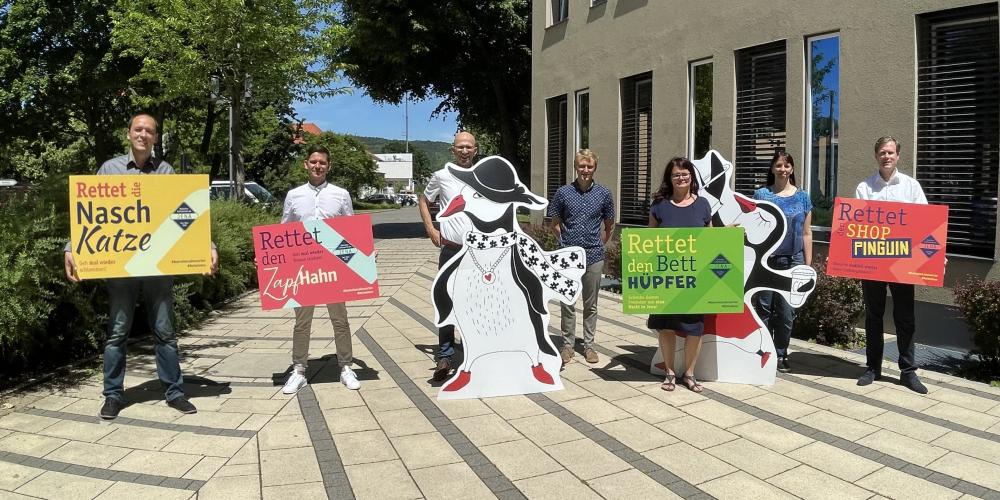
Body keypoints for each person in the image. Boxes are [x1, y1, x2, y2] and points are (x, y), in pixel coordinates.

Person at [63, 112, 219, 420]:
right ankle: (112, 395)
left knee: (165, 331)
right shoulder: (109, 169)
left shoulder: (166, 171)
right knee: (117, 332)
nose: (143, 134)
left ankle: (174, 393)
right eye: (138, 129)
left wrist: (207, 247)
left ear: (156, 138)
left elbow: (185, 216)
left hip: (158, 266)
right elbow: (90, 213)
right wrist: (71, 247)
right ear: (129, 133)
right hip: (122, 267)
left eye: (149, 130)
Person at [280, 144, 361, 394]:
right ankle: (299, 370)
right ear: (306, 164)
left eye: (322, 163)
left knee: (340, 320)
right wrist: (270, 259)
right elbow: (284, 231)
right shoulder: (294, 195)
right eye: (313, 162)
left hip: (334, 267)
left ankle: (346, 367)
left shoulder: (341, 194)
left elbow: (352, 228)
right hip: (303, 269)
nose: (318, 166)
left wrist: (365, 252)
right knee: (302, 323)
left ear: (328, 166)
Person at [855, 136, 929, 394]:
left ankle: (908, 372)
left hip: (903, 262)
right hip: (873, 261)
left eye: (891, 152)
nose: (886, 156)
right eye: (882, 152)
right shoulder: (864, 187)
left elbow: (926, 223)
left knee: (905, 317)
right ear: (876, 156)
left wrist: (935, 254)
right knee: (874, 316)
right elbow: (856, 226)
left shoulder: (911, 186)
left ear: (898, 155)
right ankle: (872, 368)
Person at [647, 157, 712, 393]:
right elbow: (649, 242)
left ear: (691, 177)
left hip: (695, 278)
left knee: (694, 327)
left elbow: (712, 241)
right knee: (666, 326)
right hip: (666, 277)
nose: (681, 177)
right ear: (670, 178)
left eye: (685, 173)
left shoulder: (703, 205)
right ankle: (670, 373)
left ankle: (689, 374)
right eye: (676, 174)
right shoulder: (659, 205)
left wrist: (729, 235)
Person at [547, 149, 615, 365]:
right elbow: (554, 223)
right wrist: (565, 243)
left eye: (589, 166)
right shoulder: (563, 193)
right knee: (567, 302)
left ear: (595, 168)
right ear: (576, 167)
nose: (585, 170)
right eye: (581, 166)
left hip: (594, 255)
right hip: (568, 257)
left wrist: (598, 244)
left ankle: (589, 345)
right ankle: (567, 345)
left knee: (591, 304)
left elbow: (609, 225)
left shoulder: (604, 194)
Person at [419, 131, 478, 381]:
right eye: (460, 147)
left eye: (469, 147)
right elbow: (423, 199)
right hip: (452, 249)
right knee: (446, 301)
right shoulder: (441, 176)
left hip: (478, 252)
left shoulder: (484, 176)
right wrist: (431, 228)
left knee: (476, 302)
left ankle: (475, 351)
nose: (464, 151)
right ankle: (445, 355)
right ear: (452, 150)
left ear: (475, 150)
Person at [752, 151, 812, 373]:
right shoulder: (762, 195)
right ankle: (762, 351)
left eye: (787, 166)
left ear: (792, 169)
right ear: (772, 169)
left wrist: (807, 263)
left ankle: (780, 353)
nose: (783, 169)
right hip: (766, 260)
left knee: (786, 312)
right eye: (778, 165)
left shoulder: (803, 197)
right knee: (764, 309)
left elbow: (806, 233)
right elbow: (753, 227)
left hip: (793, 260)